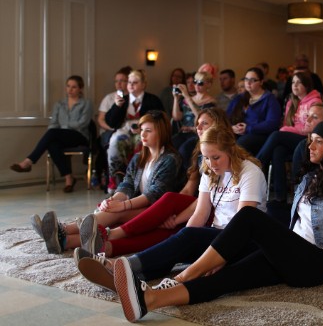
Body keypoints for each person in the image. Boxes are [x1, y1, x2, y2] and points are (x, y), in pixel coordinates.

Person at [103, 120, 323, 322]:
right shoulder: (310, 177)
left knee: (249, 217)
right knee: (227, 278)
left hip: (317, 264)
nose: (310, 146)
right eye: (310, 141)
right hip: (292, 255)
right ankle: (151, 301)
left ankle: (182, 277)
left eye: (318, 142)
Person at [76, 123, 267, 293]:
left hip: (242, 242)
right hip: (217, 235)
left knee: (186, 238)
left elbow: (242, 225)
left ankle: (120, 266)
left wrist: (219, 256)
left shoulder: (250, 172)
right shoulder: (209, 169)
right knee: (177, 244)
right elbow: (200, 213)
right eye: (206, 158)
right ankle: (125, 278)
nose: (211, 164)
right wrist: (184, 238)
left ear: (231, 150)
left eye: (216, 157)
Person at [73, 108, 232, 258]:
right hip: (194, 206)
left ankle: (106, 235)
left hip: (210, 209)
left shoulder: (179, 158)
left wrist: (177, 216)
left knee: (162, 213)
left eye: (204, 123)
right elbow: (187, 191)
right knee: (165, 229)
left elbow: (158, 194)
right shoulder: (198, 153)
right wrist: (115, 200)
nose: (198, 127)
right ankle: (86, 243)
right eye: (197, 123)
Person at [30, 111, 182, 254]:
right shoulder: (138, 158)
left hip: (156, 211)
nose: (142, 134)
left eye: (148, 130)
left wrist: (121, 205)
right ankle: (65, 241)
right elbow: (127, 184)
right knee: (111, 209)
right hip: (139, 206)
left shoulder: (170, 159)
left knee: (118, 211)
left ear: (161, 132)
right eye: (141, 129)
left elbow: (154, 194)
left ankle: (63, 230)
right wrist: (113, 200)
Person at [10, 75, 93, 192]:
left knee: (53, 133)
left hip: (79, 135)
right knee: (52, 144)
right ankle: (69, 178)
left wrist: (64, 126)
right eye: (68, 86)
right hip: (61, 135)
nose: (70, 89)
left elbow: (82, 123)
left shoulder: (86, 103)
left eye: (74, 87)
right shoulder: (59, 104)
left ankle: (28, 161)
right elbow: (53, 123)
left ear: (80, 88)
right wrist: (58, 130)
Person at [256, 71, 322, 209]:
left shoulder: (315, 101)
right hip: (293, 137)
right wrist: (287, 130)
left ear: (306, 85)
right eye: (293, 82)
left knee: (276, 135)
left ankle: (257, 164)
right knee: (277, 151)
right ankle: (281, 198)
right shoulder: (291, 101)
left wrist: (286, 130)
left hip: (308, 139)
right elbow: (287, 124)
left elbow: (308, 128)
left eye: (298, 82)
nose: (295, 85)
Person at [105, 70, 164, 190]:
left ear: (143, 84)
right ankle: (116, 181)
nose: (131, 85)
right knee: (115, 142)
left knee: (142, 143)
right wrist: (117, 106)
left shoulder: (153, 100)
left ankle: (140, 183)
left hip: (145, 131)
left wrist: (144, 128)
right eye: (129, 82)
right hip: (124, 130)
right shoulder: (123, 100)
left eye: (135, 82)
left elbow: (160, 119)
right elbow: (111, 122)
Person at [226, 67, 281, 155]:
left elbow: (272, 124)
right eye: (246, 79)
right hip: (238, 132)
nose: (248, 82)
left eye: (253, 80)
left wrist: (248, 128)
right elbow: (226, 117)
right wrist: (232, 127)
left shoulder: (270, 99)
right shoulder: (239, 97)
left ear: (261, 82)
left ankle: (241, 168)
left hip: (260, 135)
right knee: (220, 139)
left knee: (242, 143)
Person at [95, 66, 133, 184]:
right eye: (116, 81)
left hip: (128, 130)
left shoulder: (133, 97)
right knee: (110, 142)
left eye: (122, 80)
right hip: (109, 130)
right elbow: (101, 120)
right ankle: (108, 178)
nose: (119, 83)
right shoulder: (109, 98)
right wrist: (112, 128)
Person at [171, 70, 216, 167]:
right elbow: (176, 117)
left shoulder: (211, 102)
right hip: (183, 133)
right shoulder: (188, 99)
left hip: (198, 135)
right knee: (169, 147)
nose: (196, 85)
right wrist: (175, 98)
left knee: (184, 150)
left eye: (200, 83)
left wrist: (187, 97)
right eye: (195, 82)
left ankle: (186, 177)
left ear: (208, 84)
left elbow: (202, 117)